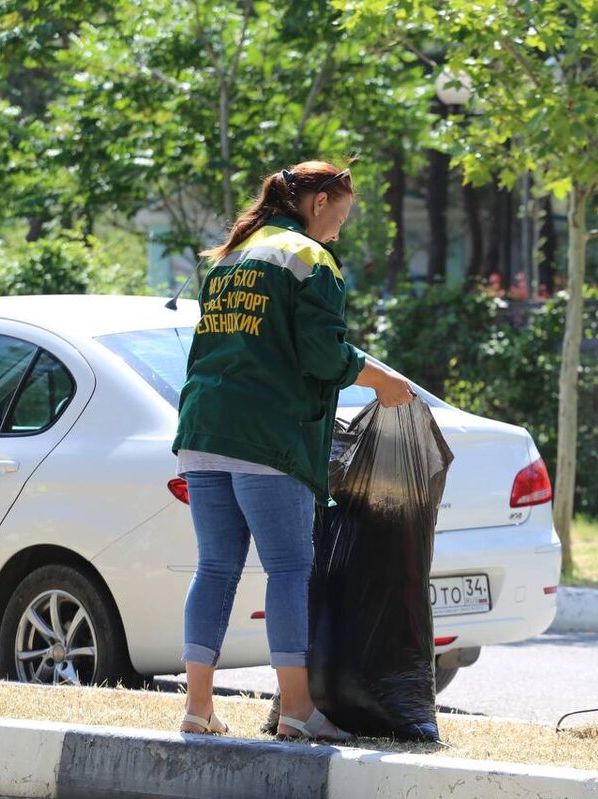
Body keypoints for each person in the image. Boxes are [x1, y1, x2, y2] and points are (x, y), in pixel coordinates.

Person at [172, 160, 415, 742]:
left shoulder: (231, 255)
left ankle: (198, 707)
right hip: (268, 437)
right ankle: (298, 711)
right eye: (341, 215)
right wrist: (382, 380)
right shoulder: (309, 260)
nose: (339, 229)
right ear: (319, 201)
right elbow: (323, 356)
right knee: (287, 569)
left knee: (215, 568)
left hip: (204, 430)